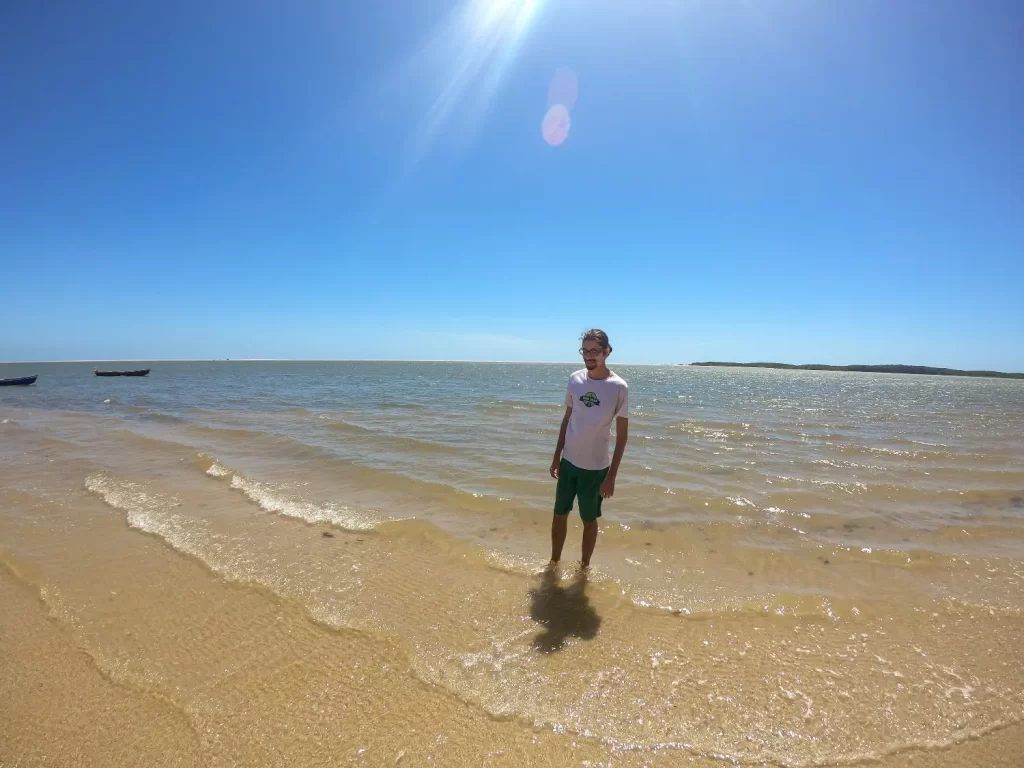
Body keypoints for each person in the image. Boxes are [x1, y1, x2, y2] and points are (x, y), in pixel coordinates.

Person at [548, 329, 629, 567]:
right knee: (559, 514)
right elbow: (567, 419)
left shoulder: (618, 387)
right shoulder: (575, 379)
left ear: (607, 352)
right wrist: (556, 457)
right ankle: (554, 563)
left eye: (595, 351)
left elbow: (623, 436)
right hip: (569, 462)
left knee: (589, 519)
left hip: (595, 469)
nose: (589, 356)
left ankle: (584, 568)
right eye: (585, 350)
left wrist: (612, 476)